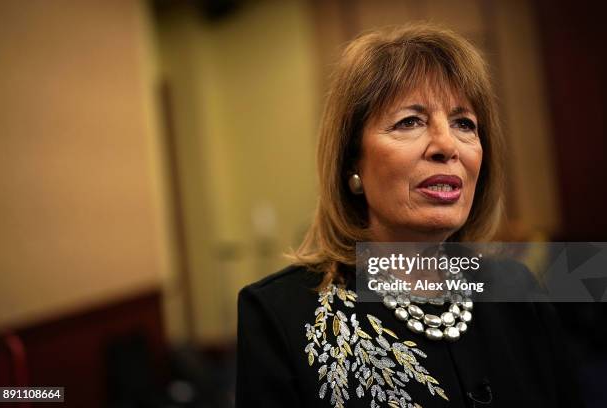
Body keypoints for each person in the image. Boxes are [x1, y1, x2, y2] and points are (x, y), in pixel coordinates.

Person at [235, 23, 582, 407]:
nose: (447, 145)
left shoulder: (516, 287)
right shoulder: (278, 314)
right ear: (353, 163)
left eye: (464, 123)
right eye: (409, 122)